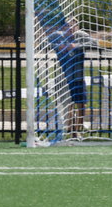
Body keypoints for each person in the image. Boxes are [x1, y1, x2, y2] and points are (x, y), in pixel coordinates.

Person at [38, 7, 89, 138]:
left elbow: (93, 43)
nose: (70, 28)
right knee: (68, 105)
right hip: (64, 78)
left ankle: (79, 128)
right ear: (63, 27)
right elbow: (45, 42)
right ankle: (72, 131)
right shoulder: (57, 37)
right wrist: (61, 46)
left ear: (77, 27)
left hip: (78, 77)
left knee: (81, 104)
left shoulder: (81, 37)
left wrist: (76, 46)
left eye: (73, 25)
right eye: (67, 25)